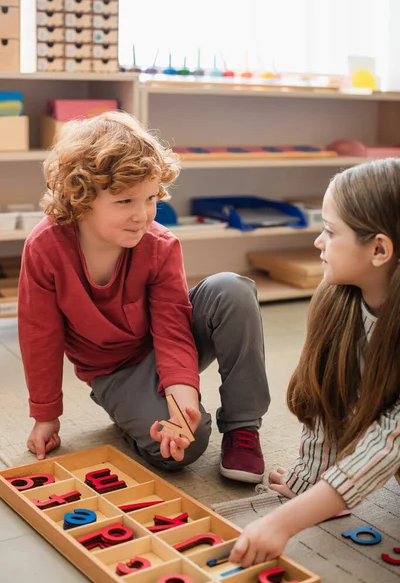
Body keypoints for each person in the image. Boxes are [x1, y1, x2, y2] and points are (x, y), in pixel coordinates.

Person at [18, 110, 270, 483]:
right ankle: (130, 413)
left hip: (167, 345)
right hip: (113, 370)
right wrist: (46, 415)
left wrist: (183, 402)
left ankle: (243, 427)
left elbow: (172, 326)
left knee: (232, 289)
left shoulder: (158, 243)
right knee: (186, 449)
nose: (143, 214)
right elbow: (40, 335)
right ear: (80, 197)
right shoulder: (45, 247)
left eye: (151, 198)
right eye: (125, 202)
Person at [230, 159, 400, 566]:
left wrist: (284, 522)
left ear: (379, 249)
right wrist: (310, 482)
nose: (317, 243)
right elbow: (329, 395)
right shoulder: (338, 297)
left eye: (329, 231)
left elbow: (392, 439)